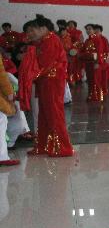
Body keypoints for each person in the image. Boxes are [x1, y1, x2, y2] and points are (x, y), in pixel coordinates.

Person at [22, 15, 74, 157]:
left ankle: (63, 148)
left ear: (43, 28)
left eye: (32, 30)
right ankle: (43, 145)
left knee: (54, 113)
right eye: (28, 31)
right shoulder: (42, 42)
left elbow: (45, 64)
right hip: (45, 82)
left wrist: (30, 75)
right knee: (44, 115)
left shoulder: (51, 40)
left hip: (52, 82)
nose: (30, 34)